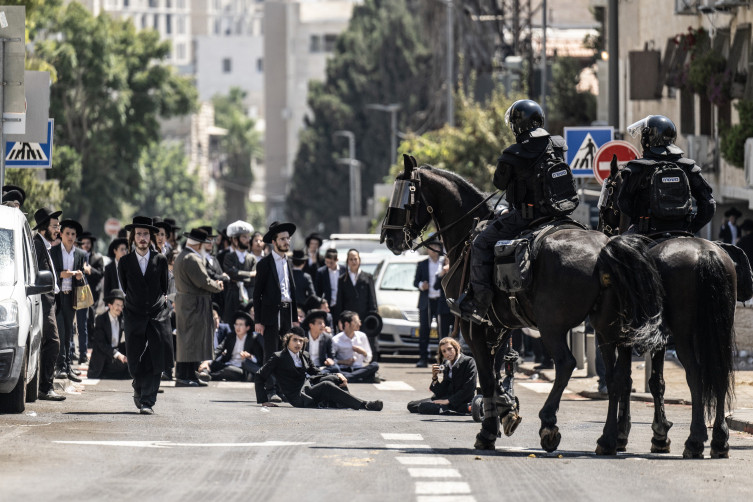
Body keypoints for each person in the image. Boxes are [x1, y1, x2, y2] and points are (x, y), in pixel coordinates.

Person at [449, 99, 574, 324]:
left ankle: (480, 302)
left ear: (517, 126)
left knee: (480, 243)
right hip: (558, 214)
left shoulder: (514, 153)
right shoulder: (557, 144)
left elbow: (499, 182)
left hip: (526, 217)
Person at [617, 115, 715, 236]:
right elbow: (709, 203)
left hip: (645, 232)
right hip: (682, 231)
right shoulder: (688, 167)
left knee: (617, 252)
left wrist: (639, 221)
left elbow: (623, 203)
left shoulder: (637, 169)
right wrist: (691, 228)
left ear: (648, 139)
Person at [118, 216, 175, 414]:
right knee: (134, 358)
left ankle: (147, 401)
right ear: (133, 237)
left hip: (157, 313)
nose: (142, 238)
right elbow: (125, 288)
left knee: (157, 354)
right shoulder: (124, 262)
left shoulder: (160, 260)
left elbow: (164, 287)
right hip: (134, 313)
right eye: (139, 234)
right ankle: (138, 386)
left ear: (151, 237)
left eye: (146, 234)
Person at [255, 327, 383, 411]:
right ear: (287, 340)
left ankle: (342, 402)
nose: (298, 344)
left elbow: (315, 372)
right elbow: (259, 375)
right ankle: (365, 405)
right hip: (298, 397)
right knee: (326, 385)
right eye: (295, 340)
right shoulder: (278, 357)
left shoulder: (304, 355)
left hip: (308, 387)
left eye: (301, 341)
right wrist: (263, 401)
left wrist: (337, 375)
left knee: (333, 377)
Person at [173, 228, 225, 387]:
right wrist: (218, 286)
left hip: (187, 303)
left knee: (188, 340)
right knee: (191, 340)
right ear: (199, 244)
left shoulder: (182, 256)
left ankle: (189, 375)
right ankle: (184, 376)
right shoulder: (192, 258)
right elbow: (203, 281)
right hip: (194, 304)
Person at [254, 221, 299, 402]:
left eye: (288, 238)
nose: (287, 241)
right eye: (283, 239)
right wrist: (258, 320)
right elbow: (257, 294)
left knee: (286, 352)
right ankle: (270, 389)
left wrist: (295, 318)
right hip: (271, 314)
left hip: (287, 312)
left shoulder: (288, 262)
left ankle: (282, 390)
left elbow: (292, 291)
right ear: (274, 242)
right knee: (271, 352)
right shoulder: (264, 264)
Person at [31, 207, 66, 401]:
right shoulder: (37, 244)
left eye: (58, 226)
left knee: (49, 343)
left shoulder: (45, 245)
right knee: (52, 342)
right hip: (42, 302)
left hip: (50, 302)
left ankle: (44, 386)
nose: (58, 230)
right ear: (44, 227)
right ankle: (45, 387)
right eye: (55, 226)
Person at [50, 218, 88, 381]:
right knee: (61, 332)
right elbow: (50, 272)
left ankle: (67, 366)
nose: (70, 237)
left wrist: (80, 276)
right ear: (61, 234)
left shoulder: (80, 254)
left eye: (73, 234)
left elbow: (83, 275)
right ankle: (60, 366)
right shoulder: (54, 251)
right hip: (57, 297)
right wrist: (60, 274)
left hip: (71, 297)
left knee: (69, 332)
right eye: (67, 233)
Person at [407, 337, 477, 415]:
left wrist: (448, 401)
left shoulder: (468, 361)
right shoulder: (447, 364)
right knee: (411, 405)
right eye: (444, 351)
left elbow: (469, 388)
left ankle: (458, 408)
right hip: (446, 397)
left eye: (450, 349)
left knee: (423, 407)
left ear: (456, 347)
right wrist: (434, 377)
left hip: (460, 400)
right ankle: (447, 408)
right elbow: (442, 391)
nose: (447, 353)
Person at [335, 249, 379, 358]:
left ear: (359, 260)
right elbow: (339, 301)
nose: (353, 261)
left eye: (355, 259)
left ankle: (371, 366)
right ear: (347, 261)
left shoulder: (367, 277)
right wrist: (340, 320)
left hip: (365, 317)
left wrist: (373, 316)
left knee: (368, 342)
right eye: (351, 259)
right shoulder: (342, 279)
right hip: (348, 319)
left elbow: (372, 299)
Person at [414, 246, 450, 367]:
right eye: (431, 248)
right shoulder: (422, 263)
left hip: (441, 301)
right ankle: (423, 358)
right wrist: (421, 285)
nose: (433, 250)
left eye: (436, 247)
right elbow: (415, 281)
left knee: (442, 332)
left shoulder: (444, 262)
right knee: (424, 330)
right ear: (428, 250)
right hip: (427, 301)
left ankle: (443, 358)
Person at [199, 311, 263, 381]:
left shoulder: (252, 339)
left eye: (241, 325)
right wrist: (207, 362)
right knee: (209, 363)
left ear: (247, 327)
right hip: (228, 364)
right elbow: (219, 349)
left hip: (241, 369)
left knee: (230, 370)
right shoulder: (230, 337)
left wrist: (249, 356)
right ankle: (204, 373)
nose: (238, 327)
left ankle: (209, 376)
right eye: (236, 324)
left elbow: (258, 359)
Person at [88, 289, 130, 379]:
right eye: (117, 305)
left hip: (115, 351)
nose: (120, 308)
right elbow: (101, 344)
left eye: (122, 306)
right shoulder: (101, 320)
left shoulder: (121, 319)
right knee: (123, 365)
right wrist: (118, 354)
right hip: (104, 355)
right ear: (110, 305)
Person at [78, 231, 105, 364]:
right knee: (81, 320)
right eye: (83, 243)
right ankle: (83, 346)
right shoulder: (77, 255)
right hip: (79, 291)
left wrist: (89, 270)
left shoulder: (97, 258)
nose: (86, 245)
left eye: (88, 243)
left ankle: (90, 342)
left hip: (93, 291)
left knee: (90, 317)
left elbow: (100, 274)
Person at [332, 311, 380, 383]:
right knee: (334, 370)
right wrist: (343, 362)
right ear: (347, 324)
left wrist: (363, 352)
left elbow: (368, 359)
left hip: (359, 369)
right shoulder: (336, 339)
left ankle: (349, 377)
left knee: (375, 365)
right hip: (344, 369)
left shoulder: (362, 336)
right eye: (356, 322)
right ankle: (359, 378)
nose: (359, 324)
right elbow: (330, 359)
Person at [223, 220, 256, 323]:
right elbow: (231, 273)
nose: (247, 240)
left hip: (249, 298)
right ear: (235, 240)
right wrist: (249, 274)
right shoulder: (229, 257)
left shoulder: (252, 258)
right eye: (244, 237)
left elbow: (255, 275)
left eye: (248, 237)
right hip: (232, 297)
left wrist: (238, 274)